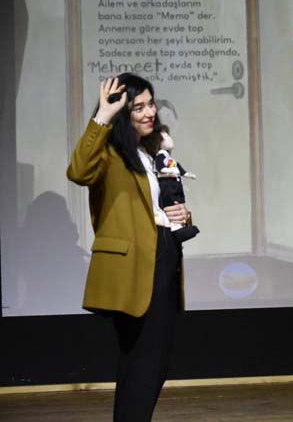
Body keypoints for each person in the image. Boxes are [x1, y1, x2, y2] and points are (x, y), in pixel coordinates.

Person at [67, 73, 192, 422]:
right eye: (138, 107)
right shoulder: (109, 153)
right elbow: (78, 171)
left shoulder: (153, 153)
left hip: (165, 255)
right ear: (123, 113)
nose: (149, 112)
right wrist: (103, 116)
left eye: (151, 104)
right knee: (142, 360)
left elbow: (157, 208)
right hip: (134, 264)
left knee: (157, 360)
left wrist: (181, 214)